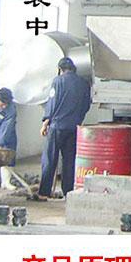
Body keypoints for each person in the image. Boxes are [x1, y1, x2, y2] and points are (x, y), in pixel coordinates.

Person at [38, 57, 91, 200]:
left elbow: (52, 102)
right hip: (74, 127)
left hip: (57, 126)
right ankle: (68, 192)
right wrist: (78, 118)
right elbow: (86, 105)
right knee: (69, 160)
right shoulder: (84, 83)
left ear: (60, 69)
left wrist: (45, 121)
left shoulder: (58, 81)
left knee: (50, 159)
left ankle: (44, 192)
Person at [0, 88, 17, 190]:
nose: (4, 107)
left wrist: (0, 145)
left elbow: (6, 129)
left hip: (6, 132)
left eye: (6, 104)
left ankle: (6, 181)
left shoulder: (11, 109)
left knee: (7, 152)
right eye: (2, 105)